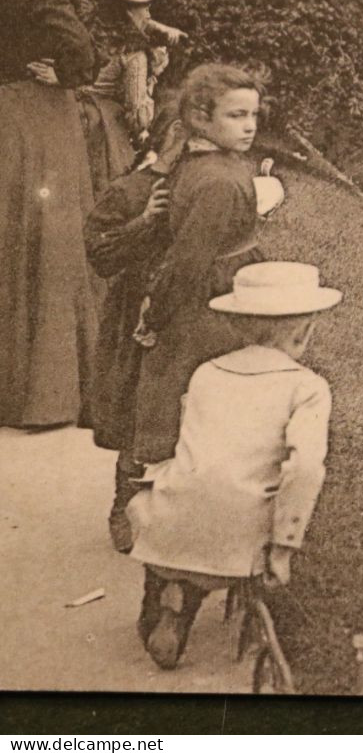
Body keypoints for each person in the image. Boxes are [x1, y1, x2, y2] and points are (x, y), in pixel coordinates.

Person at [128, 260, 340, 670]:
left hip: (168, 525)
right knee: (262, 514)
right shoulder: (307, 387)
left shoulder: (206, 373)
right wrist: (284, 548)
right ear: (305, 330)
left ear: (237, 325)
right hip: (238, 543)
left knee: (192, 497)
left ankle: (174, 595)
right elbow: (306, 470)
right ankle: (271, 637)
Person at [0, 0, 101, 430]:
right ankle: (47, 395)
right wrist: (63, 72)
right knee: (52, 242)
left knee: (8, 240)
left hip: (1, 116)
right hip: (38, 117)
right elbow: (81, 54)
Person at [130, 64, 267, 465]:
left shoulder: (211, 164)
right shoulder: (218, 181)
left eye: (254, 115)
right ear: (200, 119)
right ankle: (152, 489)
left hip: (218, 284)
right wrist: (156, 314)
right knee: (188, 390)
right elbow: (188, 261)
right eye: (236, 115)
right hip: (210, 298)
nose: (249, 126)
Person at [85, 113, 186, 552]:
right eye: (182, 138)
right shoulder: (130, 189)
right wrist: (144, 220)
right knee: (136, 411)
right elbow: (101, 255)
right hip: (135, 317)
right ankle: (122, 505)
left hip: (184, 311)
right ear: (163, 141)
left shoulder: (205, 186)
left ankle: (177, 506)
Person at [79, 0, 184, 193]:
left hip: (73, 113)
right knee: (103, 188)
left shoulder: (92, 29)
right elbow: (138, 115)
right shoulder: (134, 54)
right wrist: (154, 74)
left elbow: (142, 22)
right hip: (102, 125)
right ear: (128, 11)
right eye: (145, 7)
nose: (148, 13)